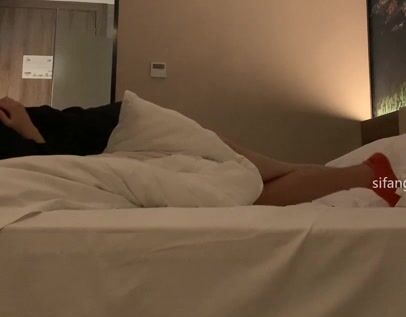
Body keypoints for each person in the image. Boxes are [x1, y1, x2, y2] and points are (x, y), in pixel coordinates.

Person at [0, 96, 399, 207]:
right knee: (256, 194)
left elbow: (47, 158)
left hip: (135, 131)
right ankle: (371, 177)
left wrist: (29, 131)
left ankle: (375, 175)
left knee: (266, 171)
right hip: (122, 151)